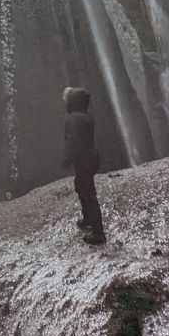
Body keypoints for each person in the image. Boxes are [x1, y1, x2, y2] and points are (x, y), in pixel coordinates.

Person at [63, 87, 106, 245]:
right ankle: (88, 218)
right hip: (92, 157)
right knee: (80, 186)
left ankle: (98, 233)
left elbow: (73, 141)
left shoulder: (73, 118)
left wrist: (67, 158)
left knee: (89, 194)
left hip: (84, 160)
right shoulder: (86, 116)